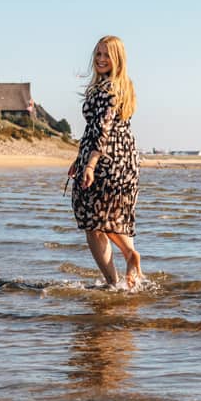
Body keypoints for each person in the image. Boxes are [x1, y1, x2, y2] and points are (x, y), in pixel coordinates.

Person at [69, 35, 143, 290]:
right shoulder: (120, 85)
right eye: (98, 54)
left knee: (94, 223)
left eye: (106, 55)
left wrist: (89, 165)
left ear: (117, 59)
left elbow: (103, 128)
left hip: (107, 161)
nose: (101, 59)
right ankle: (129, 258)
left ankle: (113, 282)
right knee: (106, 218)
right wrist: (79, 159)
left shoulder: (110, 88)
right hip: (120, 158)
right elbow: (94, 130)